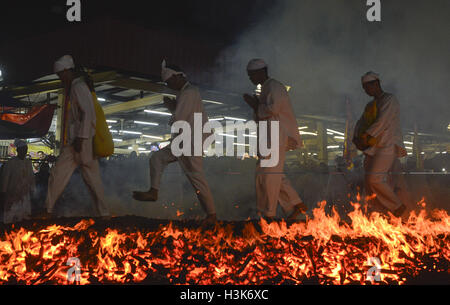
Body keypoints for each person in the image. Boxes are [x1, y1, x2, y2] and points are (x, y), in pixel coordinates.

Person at [133, 60, 217, 226]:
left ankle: (212, 214)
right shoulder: (186, 93)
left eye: (169, 82)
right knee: (157, 158)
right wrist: (174, 107)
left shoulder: (189, 93)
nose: (168, 85)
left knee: (197, 178)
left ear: (178, 76)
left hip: (191, 141)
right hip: (184, 141)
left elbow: (179, 118)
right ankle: (153, 191)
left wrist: (172, 109)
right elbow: (183, 114)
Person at [42, 55, 109, 219]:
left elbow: (89, 113)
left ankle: (104, 213)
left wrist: (81, 137)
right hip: (76, 141)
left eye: (60, 75)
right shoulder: (75, 86)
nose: (60, 78)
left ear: (66, 71)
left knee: (84, 178)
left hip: (80, 141)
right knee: (74, 176)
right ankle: (48, 210)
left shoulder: (78, 87)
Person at [243, 58, 307, 222]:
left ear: (261, 72)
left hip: (277, 136)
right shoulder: (266, 88)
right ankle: (295, 204)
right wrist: (257, 105)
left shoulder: (274, 86)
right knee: (268, 173)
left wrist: (255, 105)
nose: (250, 78)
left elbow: (272, 110)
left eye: (251, 75)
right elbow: (263, 115)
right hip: (270, 136)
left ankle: (268, 213)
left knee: (270, 174)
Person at [353, 71, 408, 217]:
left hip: (387, 145)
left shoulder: (390, 100)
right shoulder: (370, 105)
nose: (365, 90)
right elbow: (361, 123)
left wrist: (365, 137)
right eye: (363, 87)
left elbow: (382, 121)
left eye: (367, 87)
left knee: (375, 179)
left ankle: (397, 206)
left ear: (376, 84)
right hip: (372, 148)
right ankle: (379, 214)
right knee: (369, 183)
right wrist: (356, 138)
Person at [0, 139, 35, 223]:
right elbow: (6, 177)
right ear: (18, 150)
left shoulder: (28, 162)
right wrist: (3, 191)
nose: (25, 151)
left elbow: (31, 177)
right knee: (11, 212)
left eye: (26, 149)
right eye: (23, 149)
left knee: (23, 213)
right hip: (13, 191)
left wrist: (33, 189)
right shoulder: (11, 163)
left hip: (24, 192)